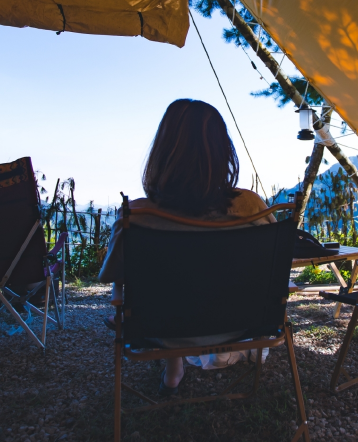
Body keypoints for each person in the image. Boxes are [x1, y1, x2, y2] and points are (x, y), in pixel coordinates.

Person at [99, 99, 275, 395]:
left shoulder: (138, 215)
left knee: (166, 289)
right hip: (241, 324)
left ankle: (173, 369)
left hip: (160, 329)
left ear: (162, 151)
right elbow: (273, 261)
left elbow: (114, 274)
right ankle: (176, 368)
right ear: (223, 150)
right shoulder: (250, 206)